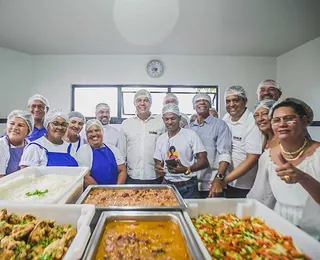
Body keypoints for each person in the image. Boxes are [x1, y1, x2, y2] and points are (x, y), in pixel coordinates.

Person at [247, 98, 320, 239]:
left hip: (315, 228)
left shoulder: (317, 154)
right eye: (276, 120)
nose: (282, 124)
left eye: (288, 118)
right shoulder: (267, 157)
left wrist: (302, 177)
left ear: (304, 121)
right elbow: (262, 197)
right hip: (280, 226)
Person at [154, 104, 209, 198]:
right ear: (163, 120)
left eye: (173, 118)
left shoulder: (190, 135)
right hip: (168, 185)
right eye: (166, 119)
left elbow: (204, 162)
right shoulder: (161, 139)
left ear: (179, 118)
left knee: (190, 212)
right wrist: (158, 167)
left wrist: (186, 169)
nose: (170, 122)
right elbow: (158, 161)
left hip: (188, 185)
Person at [219, 86, 264, 198]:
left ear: (245, 101)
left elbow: (252, 159)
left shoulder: (252, 122)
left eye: (236, 100)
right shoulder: (226, 118)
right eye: (228, 101)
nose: (231, 104)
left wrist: (223, 181)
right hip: (227, 180)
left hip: (244, 185)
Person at [186, 93, 232, 198]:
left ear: (210, 105)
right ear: (193, 106)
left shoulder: (220, 125)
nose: (202, 102)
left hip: (211, 184)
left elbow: (225, 153)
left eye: (205, 100)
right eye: (198, 101)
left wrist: (218, 178)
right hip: (191, 184)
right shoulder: (188, 129)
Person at [119, 89, 165, 184]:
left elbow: (165, 148)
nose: (142, 103)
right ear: (134, 103)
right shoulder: (126, 124)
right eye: (139, 100)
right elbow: (122, 152)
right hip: (132, 176)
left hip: (155, 176)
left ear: (150, 103)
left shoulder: (160, 123)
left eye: (146, 100)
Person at [77, 119, 127, 186]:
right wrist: (100, 193)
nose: (94, 134)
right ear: (86, 135)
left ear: (102, 132)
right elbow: (86, 177)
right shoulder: (84, 150)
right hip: (94, 193)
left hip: (114, 192)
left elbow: (122, 170)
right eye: (90, 131)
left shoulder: (113, 149)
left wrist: (116, 189)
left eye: (97, 130)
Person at [0, 110, 33, 176]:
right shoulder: (1, 145)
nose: (15, 128)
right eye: (12, 123)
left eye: (20, 125)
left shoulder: (32, 147)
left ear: (28, 130)